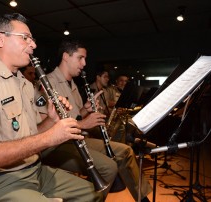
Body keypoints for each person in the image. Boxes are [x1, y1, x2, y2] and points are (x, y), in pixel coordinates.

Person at [0, 13, 103, 202]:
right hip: (1, 181)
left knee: (93, 194)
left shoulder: (24, 83)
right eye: (25, 38)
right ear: (0, 39)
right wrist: (48, 139)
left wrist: (51, 121)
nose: (33, 45)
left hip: (35, 170)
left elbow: (31, 136)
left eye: (32, 39)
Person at [35, 39, 152, 201]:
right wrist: (84, 123)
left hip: (75, 138)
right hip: (56, 146)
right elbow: (44, 128)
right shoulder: (47, 83)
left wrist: (85, 110)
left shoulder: (73, 85)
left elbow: (75, 116)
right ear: (66, 57)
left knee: (125, 150)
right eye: (80, 58)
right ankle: (92, 197)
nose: (84, 64)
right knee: (109, 167)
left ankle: (142, 197)